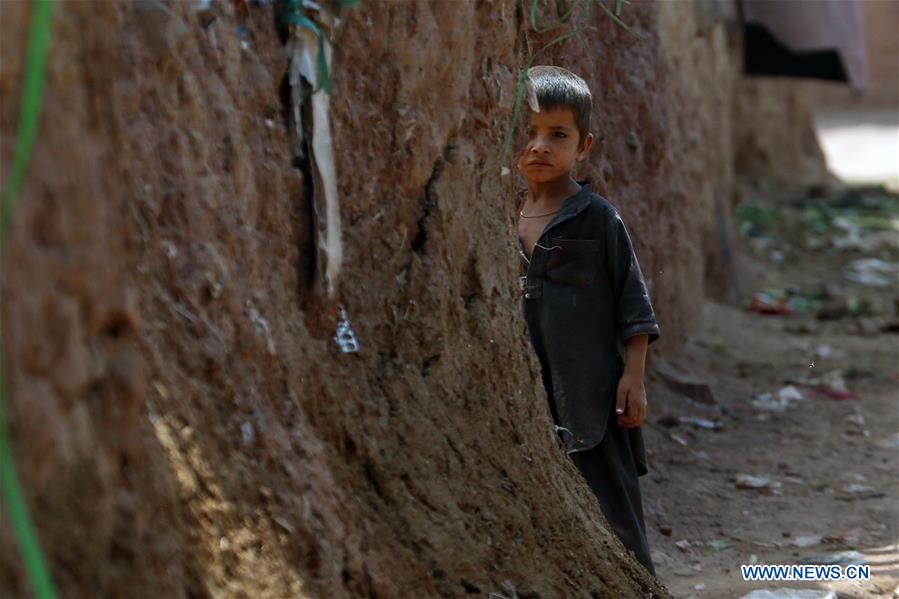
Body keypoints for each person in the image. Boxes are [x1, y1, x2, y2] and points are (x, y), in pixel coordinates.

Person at [515, 65, 661, 576]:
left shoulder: (597, 216)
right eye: (528, 132)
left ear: (584, 145)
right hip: (528, 397)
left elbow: (633, 303)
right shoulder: (498, 213)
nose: (539, 146)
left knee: (616, 519)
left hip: (594, 398)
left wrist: (633, 379)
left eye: (557, 135)